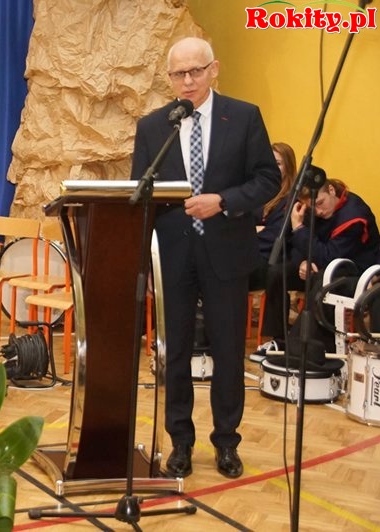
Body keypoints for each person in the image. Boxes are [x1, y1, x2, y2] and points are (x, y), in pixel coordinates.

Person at [131, 37, 280, 479]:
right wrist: (144, 260)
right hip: (174, 255)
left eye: (195, 71)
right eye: (179, 74)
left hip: (227, 253)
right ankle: (180, 441)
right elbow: (142, 194)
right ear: (169, 78)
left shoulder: (244, 116)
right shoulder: (154, 126)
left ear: (214, 69)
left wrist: (224, 201)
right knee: (174, 354)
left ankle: (226, 442)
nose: (188, 81)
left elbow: (268, 179)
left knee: (228, 353)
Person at [252, 172, 380, 360]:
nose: (318, 211)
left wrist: (298, 228)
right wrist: (303, 261)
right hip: (322, 266)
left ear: (331, 190)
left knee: (322, 282)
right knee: (277, 273)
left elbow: (328, 255)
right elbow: (298, 243)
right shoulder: (311, 207)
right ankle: (279, 339)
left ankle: (301, 347)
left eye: (320, 203)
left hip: (355, 272)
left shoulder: (355, 216)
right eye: (313, 206)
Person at [250, 142, 297, 291]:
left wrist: (249, 233)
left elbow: (274, 236)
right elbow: (239, 224)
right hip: (248, 253)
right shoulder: (259, 193)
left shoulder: (293, 200)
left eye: (278, 163)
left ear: (288, 167)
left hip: (270, 262)